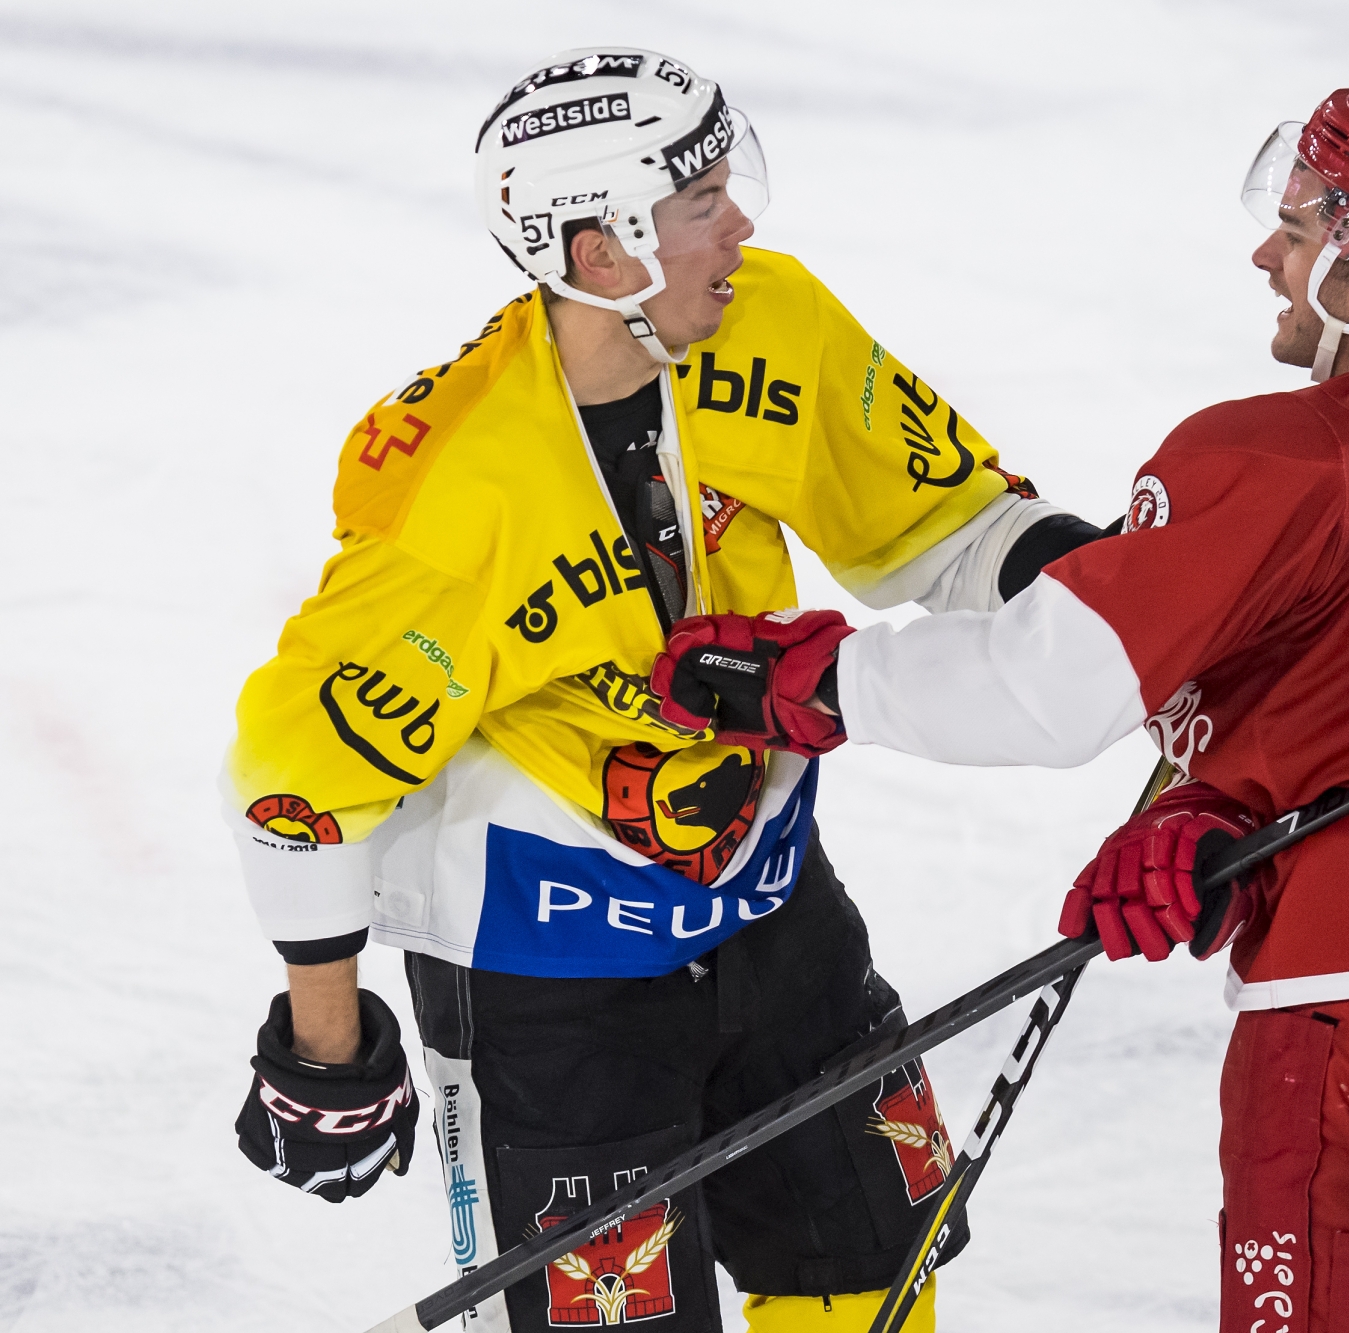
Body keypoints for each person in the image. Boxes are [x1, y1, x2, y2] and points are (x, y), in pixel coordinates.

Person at [652, 74, 1349, 1333]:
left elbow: (1038, 691)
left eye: (1297, 230)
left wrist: (806, 682)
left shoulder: (1279, 456)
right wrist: (1219, 796)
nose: (1265, 252)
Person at [224, 47, 1106, 1333]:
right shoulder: (452, 495)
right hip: (548, 972)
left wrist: (1130, 595)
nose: (740, 222)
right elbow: (302, 774)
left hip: (770, 898)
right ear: (603, 253)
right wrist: (325, 1041)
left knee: (872, 1261)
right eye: (700, 201)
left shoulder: (773, 319)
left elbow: (945, 525)